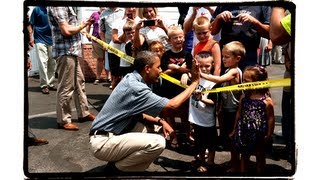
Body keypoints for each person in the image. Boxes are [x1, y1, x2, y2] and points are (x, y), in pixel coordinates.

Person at [89, 51, 200, 172]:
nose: (161, 71)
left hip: (105, 135)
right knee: (158, 143)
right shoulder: (136, 88)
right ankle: (116, 169)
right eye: (158, 67)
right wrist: (194, 83)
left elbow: (136, 114)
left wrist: (160, 122)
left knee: (152, 128)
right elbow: (172, 106)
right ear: (147, 68)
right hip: (103, 143)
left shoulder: (131, 78)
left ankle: (120, 163)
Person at [48, 7, 96, 130]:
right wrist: (82, 25)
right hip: (65, 52)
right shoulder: (58, 5)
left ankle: (83, 113)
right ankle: (63, 120)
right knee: (66, 86)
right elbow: (66, 31)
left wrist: (83, 25)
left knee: (79, 83)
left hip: (73, 51)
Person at [229, 65, 275, 174]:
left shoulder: (266, 100)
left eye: (246, 81)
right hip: (244, 132)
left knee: (260, 156)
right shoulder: (244, 97)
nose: (243, 83)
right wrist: (235, 130)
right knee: (244, 155)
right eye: (243, 80)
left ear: (258, 82)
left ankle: (260, 173)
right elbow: (239, 113)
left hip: (259, 134)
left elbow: (270, 118)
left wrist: (269, 134)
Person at [200, 41, 244, 153]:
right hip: (226, 108)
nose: (223, 59)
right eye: (223, 56)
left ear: (237, 58)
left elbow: (219, 79)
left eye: (227, 57)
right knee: (227, 134)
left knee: (232, 135)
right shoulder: (229, 69)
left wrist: (201, 74)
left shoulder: (234, 71)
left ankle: (235, 164)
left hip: (233, 109)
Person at [159, 25, 193, 148]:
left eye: (180, 37)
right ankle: (173, 136)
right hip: (168, 89)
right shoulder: (166, 55)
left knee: (185, 114)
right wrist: (181, 69)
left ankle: (188, 134)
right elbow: (163, 71)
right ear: (169, 40)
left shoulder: (188, 55)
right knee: (170, 113)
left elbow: (191, 70)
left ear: (184, 38)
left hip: (182, 89)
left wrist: (183, 71)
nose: (178, 40)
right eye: (175, 38)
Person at [210, 5, 271, 71]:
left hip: (249, 53)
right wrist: (218, 18)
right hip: (227, 54)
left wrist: (254, 21)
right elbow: (212, 31)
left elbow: (268, 33)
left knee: (248, 79)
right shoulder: (225, 3)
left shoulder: (260, 4)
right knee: (226, 79)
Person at [188, 51, 218, 173]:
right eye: (200, 66)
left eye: (207, 66)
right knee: (199, 143)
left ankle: (210, 163)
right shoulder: (194, 77)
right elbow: (188, 74)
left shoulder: (214, 82)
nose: (204, 69)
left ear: (213, 65)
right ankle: (201, 160)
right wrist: (186, 75)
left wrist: (202, 98)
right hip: (195, 117)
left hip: (207, 121)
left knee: (210, 144)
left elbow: (214, 102)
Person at [29, 6, 56, 94]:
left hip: (53, 40)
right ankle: (44, 85)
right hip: (39, 39)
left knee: (52, 63)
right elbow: (30, 25)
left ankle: (50, 83)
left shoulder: (54, 9)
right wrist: (31, 38)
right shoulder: (37, 9)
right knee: (42, 62)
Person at [100, 7, 124, 89]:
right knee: (113, 69)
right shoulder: (103, 13)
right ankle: (114, 86)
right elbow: (102, 30)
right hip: (110, 46)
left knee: (123, 67)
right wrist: (103, 43)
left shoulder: (123, 11)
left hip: (123, 44)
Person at [86, 7, 110, 85]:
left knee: (107, 59)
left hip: (107, 40)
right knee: (100, 59)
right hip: (96, 40)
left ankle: (109, 77)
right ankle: (98, 77)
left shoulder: (108, 14)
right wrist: (87, 34)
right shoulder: (95, 15)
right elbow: (88, 24)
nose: (103, 7)